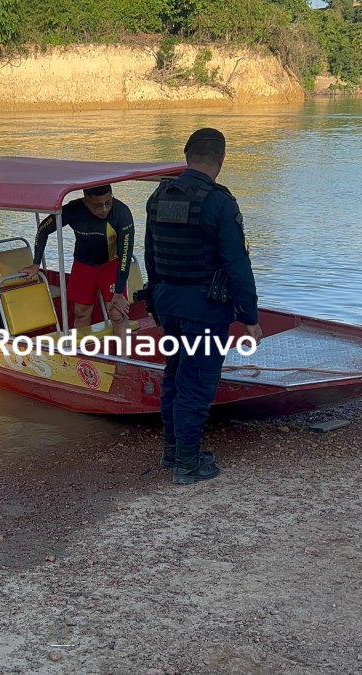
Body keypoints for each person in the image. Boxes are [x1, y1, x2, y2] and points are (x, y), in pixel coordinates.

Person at [145, 128, 262, 484]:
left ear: (186, 154)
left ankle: (173, 452)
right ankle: (188, 463)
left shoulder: (159, 195)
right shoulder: (219, 203)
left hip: (169, 304)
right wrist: (250, 317)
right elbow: (237, 266)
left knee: (174, 376)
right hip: (205, 310)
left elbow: (150, 256)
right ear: (221, 160)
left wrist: (154, 300)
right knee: (196, 383)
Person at [20, 185, 135, 336]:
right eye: (98, 205)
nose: (104, 209)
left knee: (117, 313)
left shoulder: (121, 213)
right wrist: (36, 264)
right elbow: (43, 229)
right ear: (86, 202)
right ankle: (80, 355)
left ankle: (123, 359)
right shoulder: (73, 210)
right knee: (81, 312)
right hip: (83, 265)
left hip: (110, 265)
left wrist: (119, 293)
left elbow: (126, 255)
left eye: (108, 202)